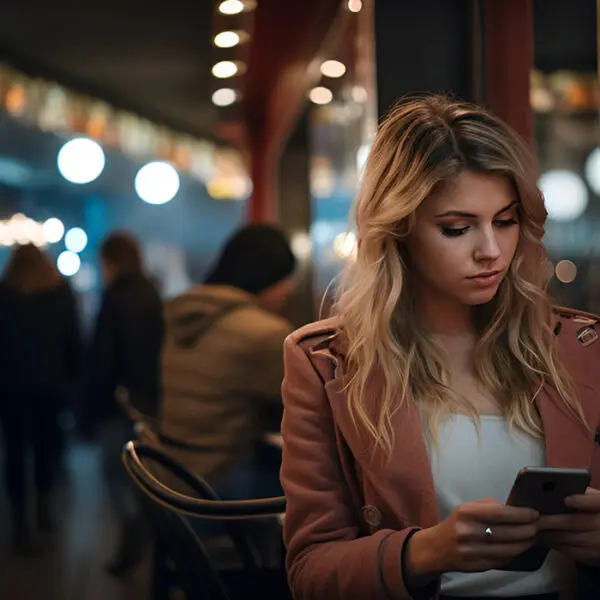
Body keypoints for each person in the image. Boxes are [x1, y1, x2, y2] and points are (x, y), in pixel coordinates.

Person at [280, 94, 600, 600]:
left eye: (505, 220)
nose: (490, 251)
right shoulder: (329, 363)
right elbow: (310, 572)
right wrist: (424, 552)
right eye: (457, 228)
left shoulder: (583, 348)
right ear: (399, 230)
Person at [160, 223, 296, 499]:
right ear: (267, 278)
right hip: (217, 482)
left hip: (171, 470)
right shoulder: (263, 332)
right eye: (285, 279)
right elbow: (308, 402)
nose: (289, 289)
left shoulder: (187, 313)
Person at [86, 231, 164, 576]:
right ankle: (147, 534)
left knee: (116, 474)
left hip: (118, 402)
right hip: (150, 400)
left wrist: (90, 405)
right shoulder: (151, 293)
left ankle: (133, 531)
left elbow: (102, 359)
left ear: (109, 261)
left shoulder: (115, 297)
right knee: (142, 472)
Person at [0, 243, 81, 553]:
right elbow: (73, 338)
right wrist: (73, 380)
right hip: (50, 384)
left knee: (15, 453)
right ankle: (45, 506)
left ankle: (20, 519)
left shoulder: (3, 294)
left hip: (10, 386)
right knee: (47, 446)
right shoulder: (60, 293)